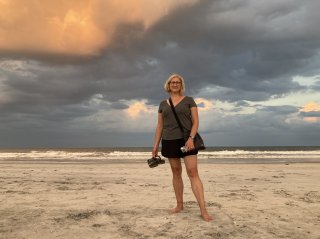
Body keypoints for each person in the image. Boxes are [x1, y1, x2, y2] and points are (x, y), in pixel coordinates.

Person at [152, 73, 213, 222]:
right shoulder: (162, 104)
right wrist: (155, 146)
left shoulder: (189, 101)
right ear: (168, 85)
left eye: (178, 82)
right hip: (169, 140)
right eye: (172, 82)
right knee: (176, 172)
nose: (175, 84)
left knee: (192, 172)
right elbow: (160, 126)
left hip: (187, 140)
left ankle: (203, 210)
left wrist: (191, 138)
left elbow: (196, 122)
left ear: (181, 85)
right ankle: (179, 205)